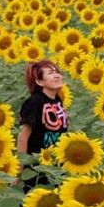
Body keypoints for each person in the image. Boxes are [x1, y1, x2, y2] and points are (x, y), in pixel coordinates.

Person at [16, 60, 69, 193]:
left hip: (56, 166)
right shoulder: (34, 102)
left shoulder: (57, 100)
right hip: (37, 168)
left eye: (57, 72)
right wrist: (19, 169)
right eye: (51, 73)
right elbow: (23, 136)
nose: (57, 75)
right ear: (39, 82)